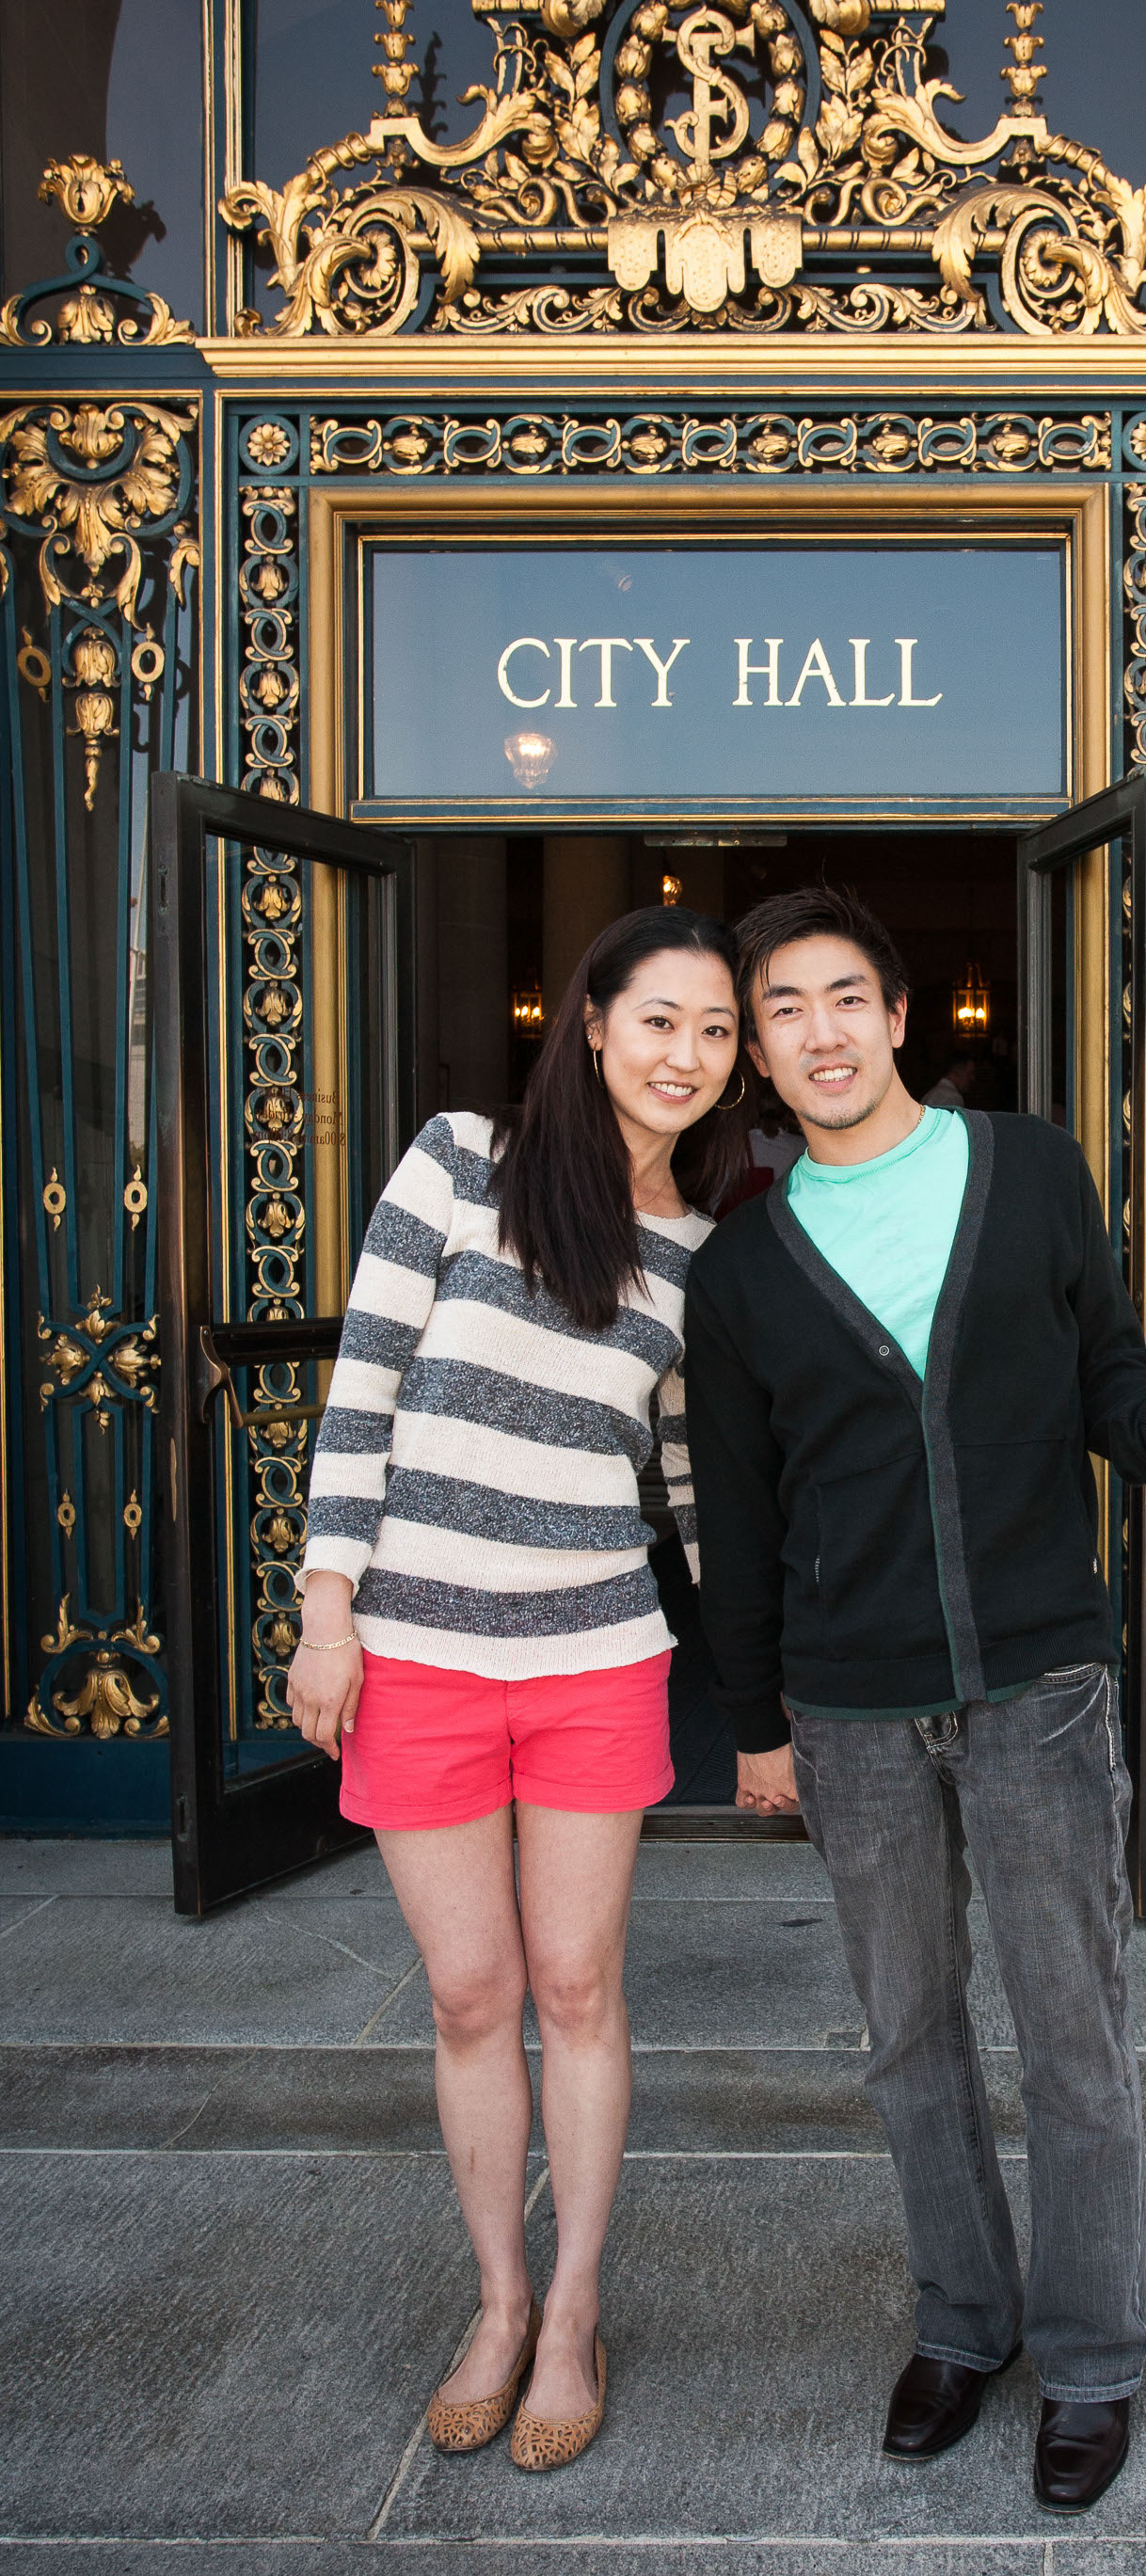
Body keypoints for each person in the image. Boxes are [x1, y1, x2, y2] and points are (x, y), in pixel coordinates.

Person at [680, 884, 1146, 2516]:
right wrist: (759, 1722)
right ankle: (963, 2319)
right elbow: (740, 1510)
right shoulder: (741, 1268)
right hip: (851, 1710)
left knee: (1076, 2038)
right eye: (780, 1009)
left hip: (1036, 1684)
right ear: (757, 1052)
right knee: (907, 2039)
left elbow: (1108, 1379)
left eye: (843, 995)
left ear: (899, 1013)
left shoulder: (1031, 1168)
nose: (820, 1031)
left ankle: (1088, 2359)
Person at [288, 907, 748, 2473]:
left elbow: (689, 1483)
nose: (688, 1055)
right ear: (595, 1023)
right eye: (661, 1020)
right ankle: (493, 2299)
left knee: (576, 1989)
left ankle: (572, 2312)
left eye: (715, 1031)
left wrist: (763, 1660)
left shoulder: (696, 1247)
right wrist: (325, 1610)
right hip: (415, 1647)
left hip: (596, 1656)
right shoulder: (457, 1160)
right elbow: (362, 1385)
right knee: (472, 1993)